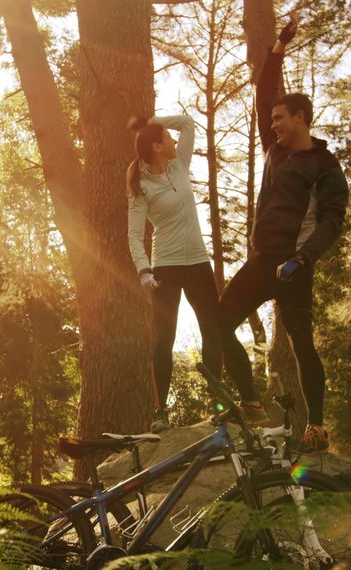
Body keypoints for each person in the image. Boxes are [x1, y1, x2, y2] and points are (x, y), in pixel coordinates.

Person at [219, 15, 349, 453]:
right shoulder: (274, 149)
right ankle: (252, 404)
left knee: (302, 347)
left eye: (280, 118)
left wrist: (304, 258)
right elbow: (262, 91)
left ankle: (316, 427)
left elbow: (332, 219)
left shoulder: (325, 167)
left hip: (295, 267)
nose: (272, 123)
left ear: (301, 117)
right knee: (218, 325)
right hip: (261, 262)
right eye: (271, 119)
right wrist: (279, 44)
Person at [126, 114, 222, 433]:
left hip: (197, 262)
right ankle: (160, 413)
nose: (173, 140)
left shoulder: (179, 163)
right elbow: (133, 234)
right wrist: (143, 270)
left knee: (213, 330)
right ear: (157, 147)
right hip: (165, 267)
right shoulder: (140, 186)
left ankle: (217, 405)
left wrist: (151, 120)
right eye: (166, 137)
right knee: (163, 339)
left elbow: (189, 124)